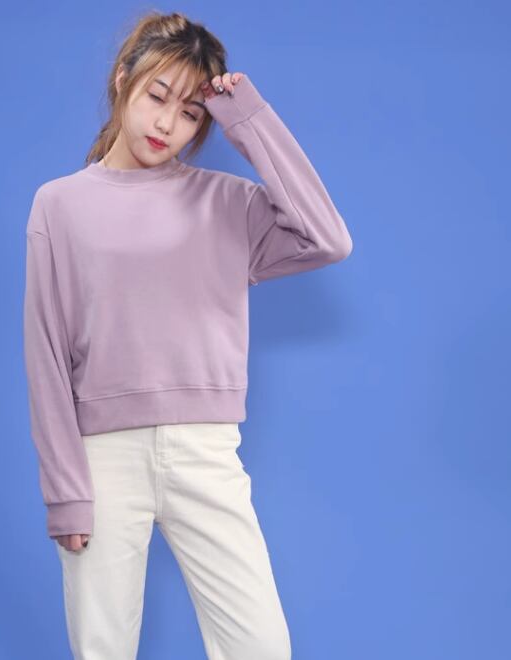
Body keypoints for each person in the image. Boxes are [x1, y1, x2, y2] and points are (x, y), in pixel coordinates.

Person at [23, 10, 352, 660]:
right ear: (123, 79)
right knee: (102, 649)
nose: (167, 124)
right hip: (102, 460)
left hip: (206, 450)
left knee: (261, 646)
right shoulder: (59, 205)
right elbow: (46, 355)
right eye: (157, 96)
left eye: (191, 112)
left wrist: (247, 116)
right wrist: (65, 493)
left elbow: (328, 239)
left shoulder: (228, 204)